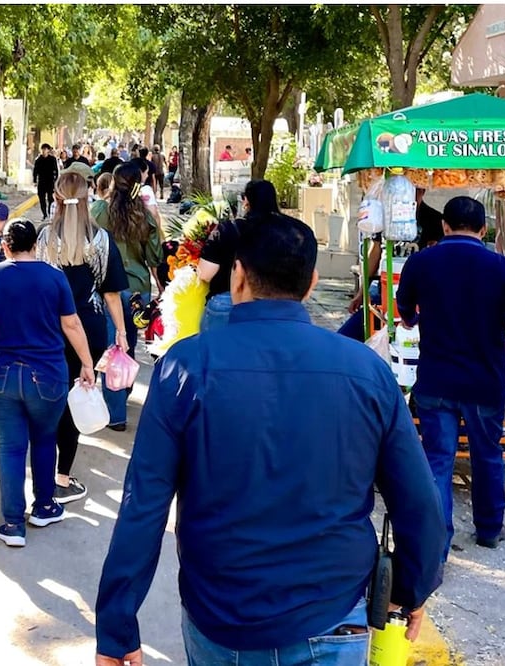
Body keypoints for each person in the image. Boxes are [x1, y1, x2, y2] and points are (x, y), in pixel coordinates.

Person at [94, 212, 447, 666]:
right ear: (312, 282)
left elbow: (143, 503)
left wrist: (117, 625)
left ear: (237, 275)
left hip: (221, 620)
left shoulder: (185, 367)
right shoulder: (365, 371)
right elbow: (418, 500)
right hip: (332, 615)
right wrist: (411, 589)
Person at [396, 196, 505, 555]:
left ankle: (435, 547)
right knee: (488, 455)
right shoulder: (504, 268)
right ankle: (490, 529)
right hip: (485, 383)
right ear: (483, 229)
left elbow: (404, 309)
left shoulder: (421, 262)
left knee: (438, 461)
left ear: (444, 226)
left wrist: (413, 320)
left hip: (436, 381)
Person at [0, 219, 97, 547]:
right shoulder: (55, 276)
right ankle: (44, 507)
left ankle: (12, 524)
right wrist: (87, 363)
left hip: (1, 374)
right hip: (48, 374)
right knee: (45, 440)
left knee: (11, 447)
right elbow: (72, 324)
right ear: (36, 245)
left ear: (4, 246)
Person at [37, 172, 129, 503]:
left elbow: (37, 284)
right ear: (88, 199)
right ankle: (62, 476)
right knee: (76, 400)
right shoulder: (101, 239)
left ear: (56, 199)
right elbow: (111, 293)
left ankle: (41, 474)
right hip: (88, 330)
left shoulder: (45, 238)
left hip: (48, 329)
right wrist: (121, 332)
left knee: (48, 401)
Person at [90, 161, 164, 431]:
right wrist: (162, 288)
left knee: (113, 344)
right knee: (129, 341)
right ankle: (125, 386)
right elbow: (154, 257)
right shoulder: (143, 215)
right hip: (137, 289)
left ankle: (116, 413)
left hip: (109, 287)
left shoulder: (99, 211)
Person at [338, 188, 444, 342]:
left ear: (422, 191)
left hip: (418, 295)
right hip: (384, 289)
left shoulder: (434, 219)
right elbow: (375, 252)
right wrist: (362, 292)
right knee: (347, 337)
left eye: (414, 191)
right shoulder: (386, 215)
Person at [197, 179, 280, 332]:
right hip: (273, 306)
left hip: (226, 302)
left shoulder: (226, 230)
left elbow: (205, 274)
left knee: (217, 347)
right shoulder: (286, 233)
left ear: (246, 201)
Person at [33, 144, 61, 221]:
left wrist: (56, 181)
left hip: (50, 182)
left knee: (50, 198)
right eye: (43, 149)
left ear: (48, 150)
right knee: (41, 198)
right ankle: (44, 214)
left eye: (46, 149)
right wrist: (35, 180)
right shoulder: (38, 160)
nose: (44, 151)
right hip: (41, 182)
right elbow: (35, 171)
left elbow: (56, 171)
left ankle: (49, 213)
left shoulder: (52, 159)